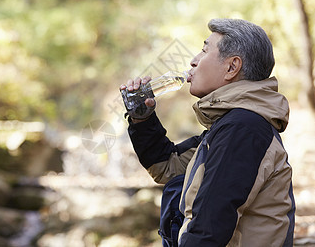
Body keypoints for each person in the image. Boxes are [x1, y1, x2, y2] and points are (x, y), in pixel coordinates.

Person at [120, 18, 295, 246]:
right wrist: (142, 118)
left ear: (232, 67)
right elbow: (167, 166)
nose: (193, 61)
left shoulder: (242, 129)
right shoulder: (231, 126)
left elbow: (209, 229)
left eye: (204, 51)